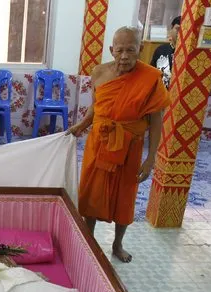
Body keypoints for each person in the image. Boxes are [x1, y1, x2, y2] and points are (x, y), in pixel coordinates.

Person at [68, 27, 170, 263]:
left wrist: (151, 158)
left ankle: (117, 244)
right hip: (99, 142)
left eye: (131, 50)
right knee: (91, 193)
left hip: (130, 146)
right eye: (120, 50)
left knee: (125, 196)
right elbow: (96, 106)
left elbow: (156, 121)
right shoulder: (98, 72)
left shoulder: (151, 78)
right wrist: (81, 125)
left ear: (140, 50)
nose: (125, 56)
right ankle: (89, 241)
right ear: (112, 50)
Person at [150, 16, 181, 89]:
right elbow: (151, 73)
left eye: (183, 30)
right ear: (171, 29)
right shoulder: (160, 50)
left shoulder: (189, 54)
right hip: (160, 94)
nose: (180, 33)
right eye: (178, 29)